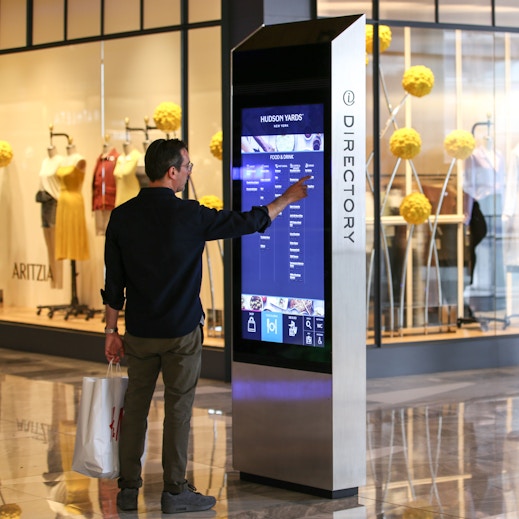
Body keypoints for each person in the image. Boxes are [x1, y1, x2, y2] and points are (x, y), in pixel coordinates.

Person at [102, 138, 310, 514]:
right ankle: (174, 489)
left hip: (140, 332)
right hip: (181, 332)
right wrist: (287, 199)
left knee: (135, 409)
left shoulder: (122, 217)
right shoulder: (190, 215)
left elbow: (113, 283)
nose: (189, 171)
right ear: (172, 172)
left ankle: (128, 489)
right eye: (188, 166)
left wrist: (111, 332)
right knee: (177, 411)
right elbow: (249, 221)